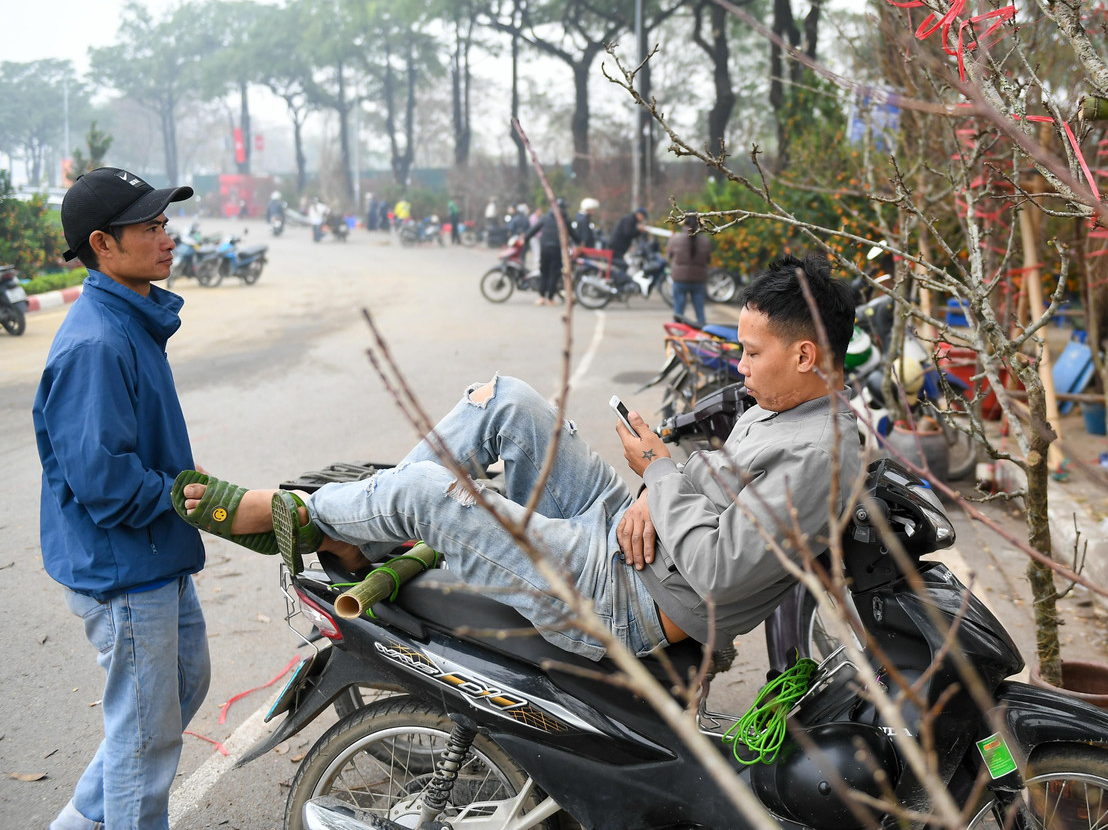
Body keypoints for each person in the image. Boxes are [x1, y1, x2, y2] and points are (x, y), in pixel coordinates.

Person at [175, 255, 859, 662]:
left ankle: (303, 516)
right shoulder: (787, 408)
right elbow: (716, 495)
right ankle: (366, 532)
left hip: (627, 595)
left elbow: (717, 568)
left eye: (752, 352)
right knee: (506, 400)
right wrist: (657, 485)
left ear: (805, 354)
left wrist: (656, 469)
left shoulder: (818, 457)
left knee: (429, 493)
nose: (740, 368)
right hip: (630, 531)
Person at [37, 167, 211, 830]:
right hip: (124, 568)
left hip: (154, 551)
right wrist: (181, 491)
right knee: (146, 740)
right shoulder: (96, 340)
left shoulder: (131, 316)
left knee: (181, 686)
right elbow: (102, 481)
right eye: (150, 227)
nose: (167, 238)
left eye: (165, 224)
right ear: (102, 244)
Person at [525, 199, 576, 305]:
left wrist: (524, 239)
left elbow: (533, 229)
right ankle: (550, 298)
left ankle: (542, 297)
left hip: (545, 249)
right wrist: (581, 242)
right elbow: (572, 233)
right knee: (554, 274)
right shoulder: (564, 219)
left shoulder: (545, 217)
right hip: (557, 250)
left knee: (544, 273)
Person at [667, 212, 712, 326]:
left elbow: (669, 256)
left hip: (680, 279)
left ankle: (676, 338)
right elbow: (708, 260)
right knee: (700, 313)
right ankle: (701, 337)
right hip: (699, 280)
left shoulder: (675, 239)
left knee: (678, 312)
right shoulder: (705, 241)